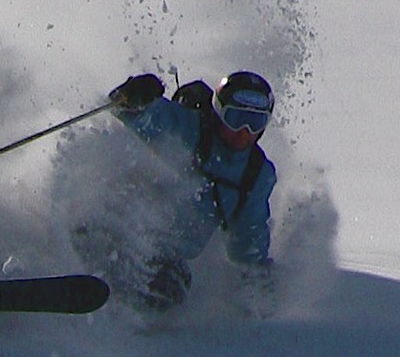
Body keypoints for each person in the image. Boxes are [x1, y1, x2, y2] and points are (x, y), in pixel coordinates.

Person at [99, 69, 277, 310]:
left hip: (166, 261)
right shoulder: (191, 130)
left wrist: (257, 283)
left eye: (256, 123)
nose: (244, 131)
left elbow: (249, 238)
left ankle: (124, 318)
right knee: (108, 238)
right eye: (235, 119)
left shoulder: (253, 174)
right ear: (218, 112)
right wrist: (136, 97)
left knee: (170, 288)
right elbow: (140, 116)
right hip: (124, 230)